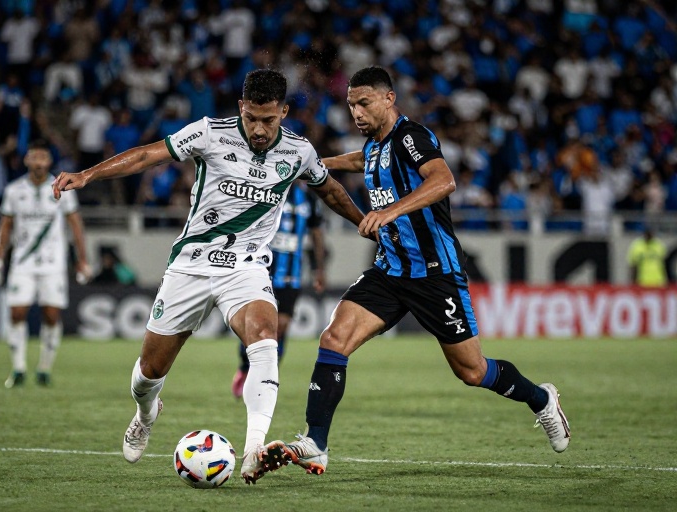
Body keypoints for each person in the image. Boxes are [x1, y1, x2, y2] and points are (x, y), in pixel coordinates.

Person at [51, 69, 366, 484]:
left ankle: (255, 448)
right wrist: (88, 174)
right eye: (251, 117)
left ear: (284, 113)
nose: (258, 128)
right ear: (241, 107)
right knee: (148, 373)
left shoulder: (299, 152)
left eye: (268, 120)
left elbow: (330, 191)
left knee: (265, 337)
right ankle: (147, 413)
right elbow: (148, 155)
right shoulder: (209, 133)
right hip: (192, 264)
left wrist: (366, 222)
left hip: (246, 266)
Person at [262, 66, 571, 477]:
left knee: (472, 370)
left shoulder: (412, 137)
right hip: (390, 270)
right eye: (351, 104)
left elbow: (444, 180)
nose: (355, 112)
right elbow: (360, 160)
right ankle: (316, 442)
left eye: (364, 102)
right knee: (334, 338)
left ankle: (541, 399)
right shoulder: (373, 145)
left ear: (389, 99)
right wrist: (309, 164)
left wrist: (388, 211)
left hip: (434, 272)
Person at [0, 140, 90, 388]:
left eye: (43, 157)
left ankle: (44, 368)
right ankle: (18, 368)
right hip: (22, 262)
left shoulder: (63, 188)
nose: (38, 161)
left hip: (53, 262)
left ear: (49, 161)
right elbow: (5, 227)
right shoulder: (14, 190)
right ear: (26, 160)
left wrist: (82, 259)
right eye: (34, 157)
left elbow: (75, 225)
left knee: (52, 315)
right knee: (16, 312)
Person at [231, 182, 327, 398]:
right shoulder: (265, 190)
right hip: (262, 270)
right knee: (258, 323)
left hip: (292, 274)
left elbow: (317, 233)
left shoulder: (308, 198)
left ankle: (268, 376)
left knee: (280, 326)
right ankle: (245, 367)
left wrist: (318, 268)